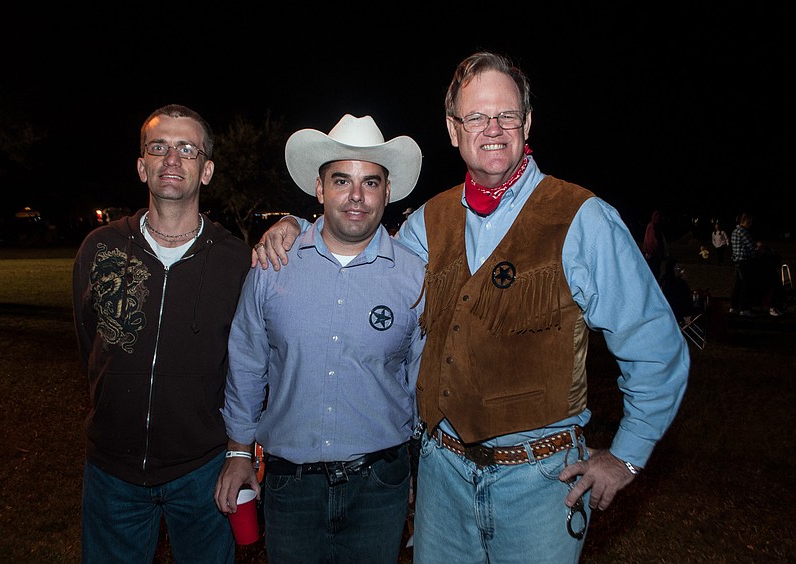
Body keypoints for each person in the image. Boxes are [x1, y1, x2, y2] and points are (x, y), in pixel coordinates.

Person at [251, 52, 690, 563]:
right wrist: (294, 226)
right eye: (477, 117)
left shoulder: (582, 219)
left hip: (543, 484)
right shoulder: (426, 223)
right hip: (443, 479)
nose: (493, 129)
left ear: (527, 123)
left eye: (506, 115)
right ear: (454, 129)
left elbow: (657, 349)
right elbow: (359, 252)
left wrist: (627, 458)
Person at [214, 114, 427, 563]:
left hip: (382, 483)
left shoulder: (413, 278)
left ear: (387, 193)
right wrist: (238, 451)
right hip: (291, 486)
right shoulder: (273, 266)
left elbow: (419, 379)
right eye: (341, 180)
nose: (356, 196)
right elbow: (247, 362)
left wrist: (419, 470)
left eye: (371, 183)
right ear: (319, 189)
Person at [72, 104, 251, 562]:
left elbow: (247, 364)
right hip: (112, 470)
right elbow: (91, 343)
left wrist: (238, 451)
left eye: (187, 149)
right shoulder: (100, 248)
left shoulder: (235, 260)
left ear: (206, 170)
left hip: (204, 470)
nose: (172, 159)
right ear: (142, 165)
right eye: (159, 147)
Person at [729, 212, 757, 316]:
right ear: (744, 221)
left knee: (738, 284)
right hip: (744, 261)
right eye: (749, 222)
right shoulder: (743, 231)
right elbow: (752, 245)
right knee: (746, 285)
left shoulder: (735, 231)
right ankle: (744, 308)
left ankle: (734, 306)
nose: (750, 224)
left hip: (737, 261)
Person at [660, 258, 696, 325]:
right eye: (677, 267)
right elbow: (681, 295)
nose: (679, 270)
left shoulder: (671, 279)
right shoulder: (671, 282)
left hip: (676, 307)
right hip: (677, 309)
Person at [642, 209, 668, 279]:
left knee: (655, 271)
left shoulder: (656, 226)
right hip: (652, 254)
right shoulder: (652, 226)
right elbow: (653, 241)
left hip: (654, 254)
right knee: (653, 272)